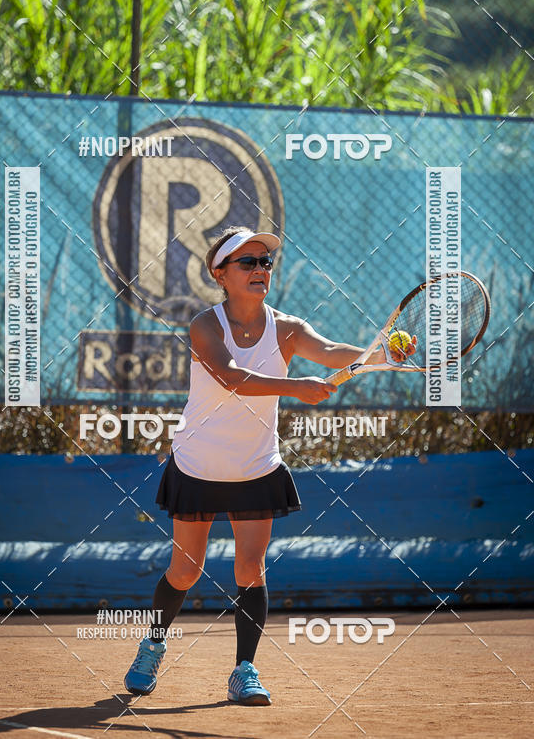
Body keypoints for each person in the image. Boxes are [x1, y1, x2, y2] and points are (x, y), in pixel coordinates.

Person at [124, 226, 415, 705]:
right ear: (220, 274)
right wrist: (295, 386)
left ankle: (244, 670)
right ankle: (153, 645)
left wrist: (381, 354)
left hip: (256, 467)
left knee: (251, 568)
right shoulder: (204, 325)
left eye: (266, 262)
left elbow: (332, 352)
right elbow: (231, 376)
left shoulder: (288, 328)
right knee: (185, 572)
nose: (261, 269)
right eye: (248, 262)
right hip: (198, 465)